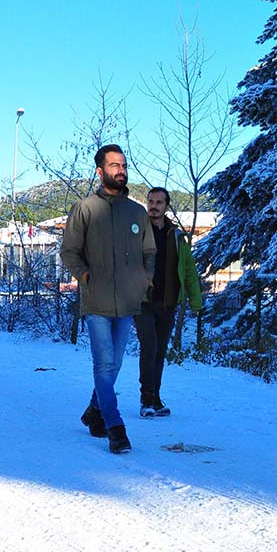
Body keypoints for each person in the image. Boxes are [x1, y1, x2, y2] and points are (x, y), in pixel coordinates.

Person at [60, 145, 155, 454]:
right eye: (114, 165)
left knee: (115, 364)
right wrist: (84, 275)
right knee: (104, 364)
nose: (121, 170)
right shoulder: (85, 209)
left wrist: (145, 279)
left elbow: (149, 252)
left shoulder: (137, 212)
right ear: (100, 171)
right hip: (97, 301)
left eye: (123, 165)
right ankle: (115, 428)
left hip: (127, 301)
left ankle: (94, 410)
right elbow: (69, 251)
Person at [134, 187, 203, 418]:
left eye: (159, 202)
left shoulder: (177, 236)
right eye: (151, 201)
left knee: (160, 350)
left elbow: (188, 270)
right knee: (149, 346)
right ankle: (146, 399)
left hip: (168, 302)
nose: (153, 206)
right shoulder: (138, 232)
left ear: (166, 205)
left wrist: (195, 300)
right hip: (143, 300)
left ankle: (156, 398)